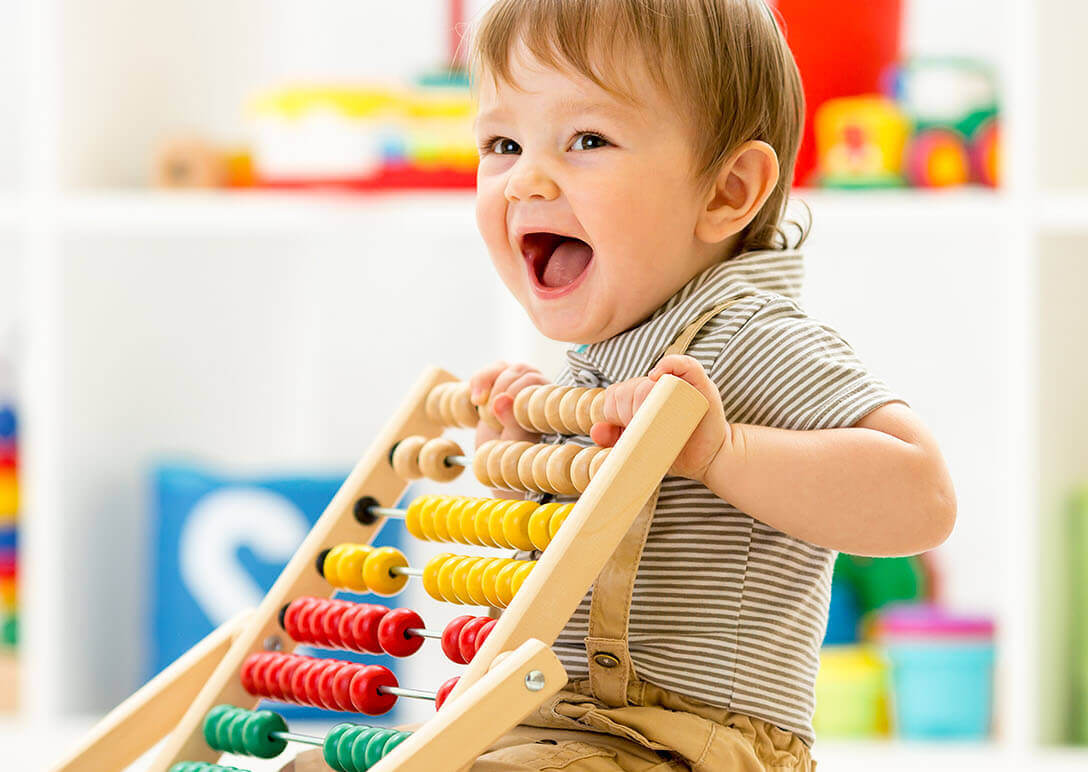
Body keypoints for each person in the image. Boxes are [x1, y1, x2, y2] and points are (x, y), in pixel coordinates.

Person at [291, 1, 955, 769]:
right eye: (502, 143)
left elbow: (924, 500)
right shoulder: (603, 361)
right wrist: (515, 469)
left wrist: (718, 448)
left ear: (727, 191)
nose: (525, 178)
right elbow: (577, 568)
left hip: (689, 742)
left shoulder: (746, 337)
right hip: (548, 726)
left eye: (587, 140)